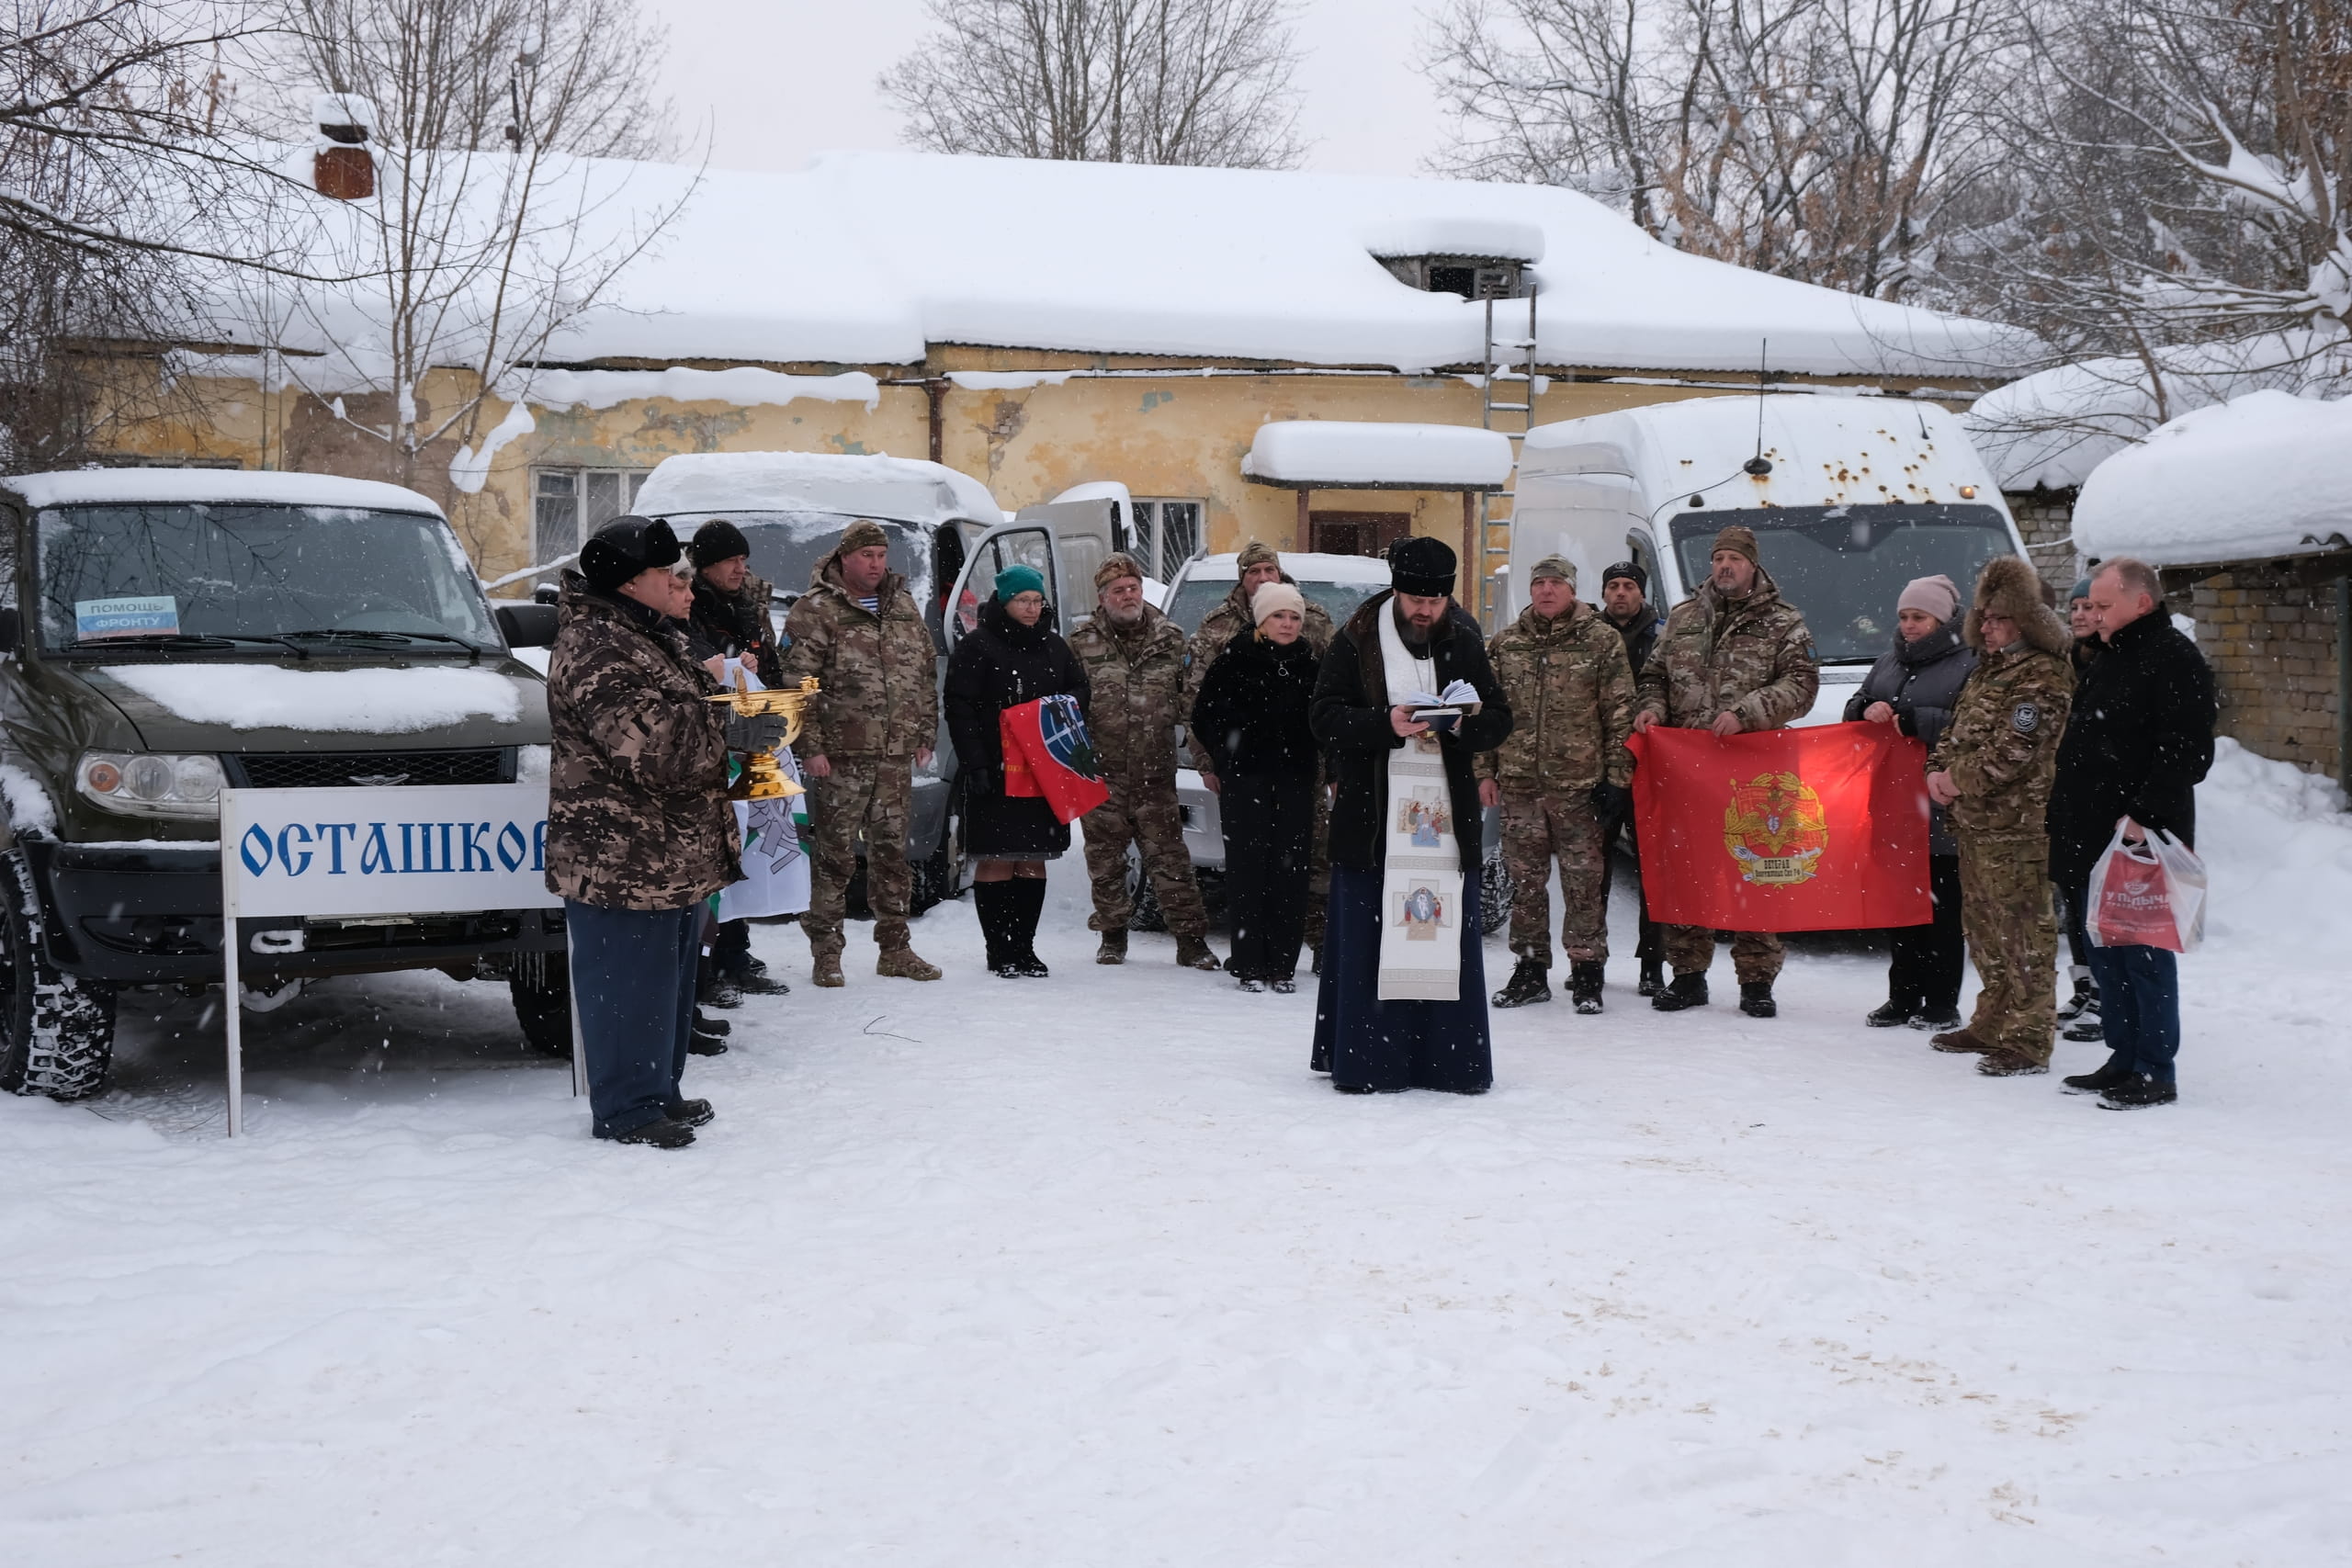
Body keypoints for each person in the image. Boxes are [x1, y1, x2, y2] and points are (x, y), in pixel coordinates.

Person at [545, 515, 777, 1150]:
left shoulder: (648, 634)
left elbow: (698, 706)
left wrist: (748, 714)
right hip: (620, 856)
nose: (683, 585)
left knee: (665, 984)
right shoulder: (596, 644)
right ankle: (626, 1106)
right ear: (629, 581)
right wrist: (730, 730)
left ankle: (658, 1090)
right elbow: (654, 750)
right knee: (626, 982)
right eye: (666, 574)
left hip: (668, 853)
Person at [1308, 536, 1512, 1094]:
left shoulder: (1464, 639)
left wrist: (1463, 724)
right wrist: (1384, 724)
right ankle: (1370, 1062)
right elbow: (1323, 717)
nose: (1424, 610)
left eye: (1435, 601)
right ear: (1396, 590)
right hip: (1373, 823)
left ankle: (1446, 1064)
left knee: (1440, 938)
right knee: (1372, 943)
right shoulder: (1356, 638)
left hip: (1445, 829)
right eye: (1414, 599)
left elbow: (1499, 718)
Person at [2047, 557, 2216, 1109]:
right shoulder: (2110, 655)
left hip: (2138, 837)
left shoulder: (2172, 657)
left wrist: (2143, 815)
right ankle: (2122, 1056)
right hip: (2089, 832)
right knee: (2104, 952)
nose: (2091, 615)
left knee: (2142, 953)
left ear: (2141, 602)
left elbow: (2187, 751)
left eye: (2101, 605)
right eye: (2090, 606)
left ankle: (2154, 1068)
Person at [1632, 525, 1820, 1017]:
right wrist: (1652, 707)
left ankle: (1757, 981)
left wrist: (1749, 712)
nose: (1724, 566)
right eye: (1718, 558)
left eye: (1734, 558)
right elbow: (1654, 674)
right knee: (1689, 870)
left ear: (1753, 565)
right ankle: (1688, 974)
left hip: (1753, 778)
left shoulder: (1784, 622)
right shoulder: (1684, 618)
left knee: (1757, 871)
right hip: (1688, 771)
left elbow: (1803, 684)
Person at [1921, 557, 2075, 1077]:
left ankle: (2030, 1038)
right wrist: (1937, 772)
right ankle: (1993, 1021)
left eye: (1997, 618)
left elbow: (2017, 748)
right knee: (1984, 930)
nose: (1985, 626)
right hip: (1975, 824)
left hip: (2017, 826)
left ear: (2024, 620)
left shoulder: (2043, 674)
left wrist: (1955, 780)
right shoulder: (1989, 669)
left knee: (2023, 932)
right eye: (1982, 618)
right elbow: (1956, 731)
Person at [780, 519, 942, 988]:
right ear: (844, 558)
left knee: (892, 855)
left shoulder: (904, 606)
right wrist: (809, 747)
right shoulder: (815, 610)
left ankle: (895, 948)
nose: (875, 564)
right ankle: (826, 953)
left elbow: (924, 675)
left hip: (894, 757)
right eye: (866, 556)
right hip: (840, 759)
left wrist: (925, 734)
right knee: (834, 857)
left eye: (880, 555)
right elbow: (797, 684)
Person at [1479, 555, 1635, 1013]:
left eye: (1555, 583)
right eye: (1539, 583)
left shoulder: (1601, 641)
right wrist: (1484, 773)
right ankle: (1529, 970)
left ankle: (1587, 972)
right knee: (1526, 883)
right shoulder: (1506, 645)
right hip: (1520, 787)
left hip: (1579, 788)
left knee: (1584, 882)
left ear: (1572, 589)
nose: (1546, 591)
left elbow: (1621, 714)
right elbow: (1486, 715)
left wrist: (1616, 779)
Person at [1067, 554, 1222, 971]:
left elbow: (1191, 706)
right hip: (1101, 771)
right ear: (1103, 598)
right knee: (1105, 859)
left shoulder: (1171, 638)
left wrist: (1206, 760)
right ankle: (1113, 936)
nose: (1128, 595)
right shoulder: (1081, 641)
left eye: (1133, 587)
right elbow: (1063, 709)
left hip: (1156, 772)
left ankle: (1191, 941)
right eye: (1118, 590)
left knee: (1170, 859)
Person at [1184, 540, 1337, 963]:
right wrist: (1219, 759)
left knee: (1300, 866)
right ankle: (1249, 956)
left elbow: (1333, 710)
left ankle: (1300, 952)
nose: (1287, 624)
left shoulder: (1313, 647)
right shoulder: (1229, 648)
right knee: (1249, 867)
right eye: (1254, 571)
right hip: (1245, 777)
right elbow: (1201, 708)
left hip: (1300, 775)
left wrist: (1330, 765)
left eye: (1293, 617)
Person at [1843, 572, 1974, 1032]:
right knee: (1900, 908)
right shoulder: (1888, 663)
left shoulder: (1969, 663)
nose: (1910, 625)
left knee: (1941, 911)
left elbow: (1973, 725)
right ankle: (1901, 996)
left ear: (1942, 619)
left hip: (1939, 809)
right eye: (1904, 616)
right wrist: (1865, 709)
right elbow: (1853, 708)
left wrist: (1925, 721)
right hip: (1894, 809)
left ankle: (1941, 1002)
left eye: (1919, 616)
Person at [945, 564, 1090, 979]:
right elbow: (959, 708)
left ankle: (1025, 947)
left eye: (1036, 601)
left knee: (1032, 858)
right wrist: (975, 763)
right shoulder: (977, 647)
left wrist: (1047, 711)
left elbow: (1081, 692)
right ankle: (999, 949)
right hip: (994, 768)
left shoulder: (1055, 647)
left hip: (1043, 770)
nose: (1030, 608)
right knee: (996, 858)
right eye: (1022, 601)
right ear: (1004, 603)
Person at [679, 520, 790, 1006]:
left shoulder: (745, 607)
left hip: (751, 740)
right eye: (731, 561)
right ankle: (710, 963)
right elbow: (702, 667)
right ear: (706, 566)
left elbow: (768, 669)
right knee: (718, 857)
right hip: (712, 749)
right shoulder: (688, 609)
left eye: (744, 560)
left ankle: (735, 954)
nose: (741, 568)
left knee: (742, 850)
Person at [1595, 560, 1667, 993]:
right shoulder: (1586, 635)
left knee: (1653, 871)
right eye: (1613, 586)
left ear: (1641, 593)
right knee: (1592, 873)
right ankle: (1590, 961)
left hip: (1651, 771)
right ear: (1603, 593)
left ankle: (1651, 965)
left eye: (1628, 586)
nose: (1621, 593)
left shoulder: (1663, 636)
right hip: (1598, 771)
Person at [2055, 573, 2104, 1034]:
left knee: (2100, 906)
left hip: (2103, 806)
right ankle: (2085, 987)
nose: (2081, 616)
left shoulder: (2113, 663)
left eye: (2090, 606)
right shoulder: (2065, 661)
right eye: (2075, 609)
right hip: (2067, 802)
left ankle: (2107, 999)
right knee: (2073, 901)